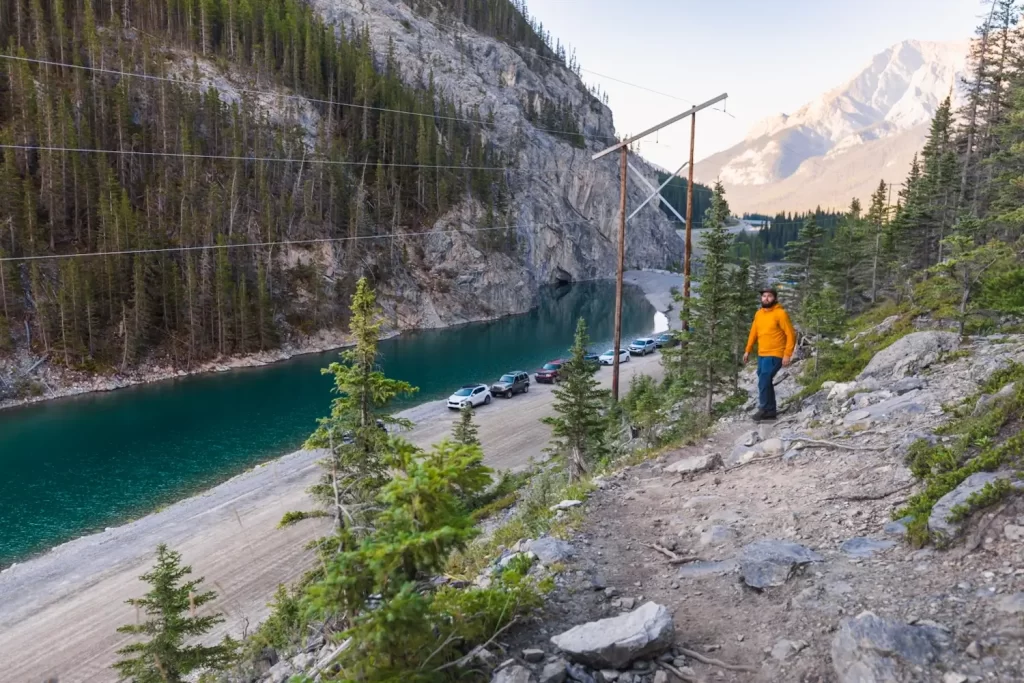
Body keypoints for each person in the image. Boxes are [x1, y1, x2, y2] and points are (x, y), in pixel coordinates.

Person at [742, 287, 796, 421]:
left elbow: (790, 334)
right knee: (763, 379)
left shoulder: (780, 314)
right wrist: (748, 350)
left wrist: (787, 354)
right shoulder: (759, 314)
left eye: (769, 296)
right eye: (764, 296)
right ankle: (771, 411)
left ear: (775, 298)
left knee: (765, 378)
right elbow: (753, 332)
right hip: (762, 353)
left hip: (776, 353)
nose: (766, 298)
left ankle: (764, 409)